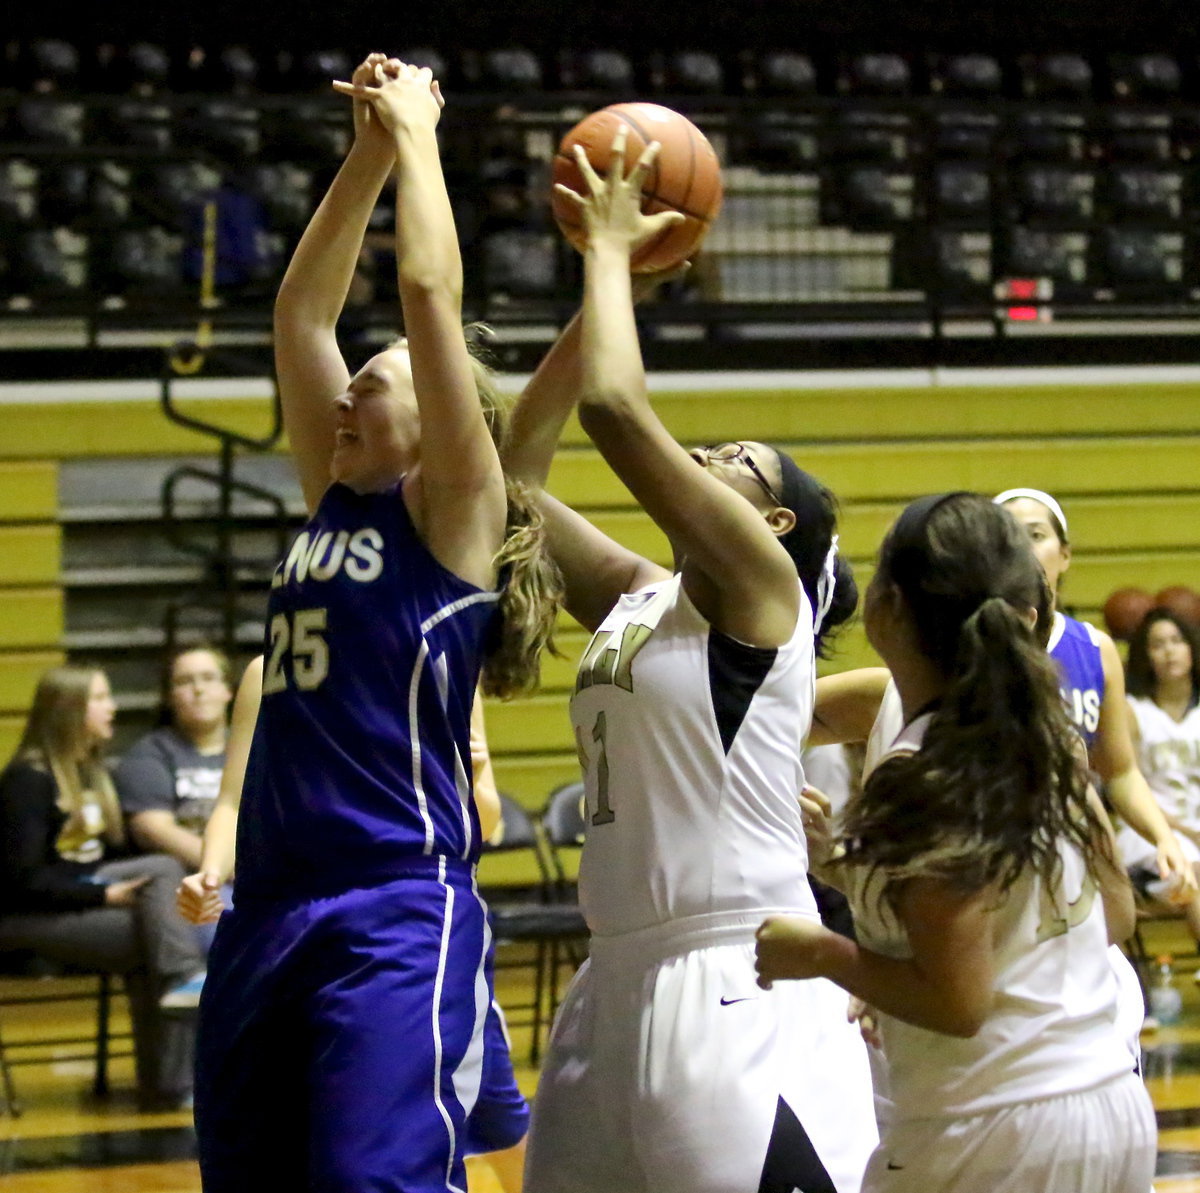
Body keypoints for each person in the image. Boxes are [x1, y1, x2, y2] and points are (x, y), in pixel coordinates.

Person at [191, 55, 560, 1193]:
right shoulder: (334, 499)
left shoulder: (452, 514)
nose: (347, 391)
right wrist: (361, 158)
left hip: (391, 900)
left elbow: (428, 299)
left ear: (441, 421)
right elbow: (301, 311)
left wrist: (419, 140)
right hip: (270, 905)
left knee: (374, 1181)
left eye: (376, 382)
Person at [507, 128, 876, 1193]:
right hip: (611, 973)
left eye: (739, 461)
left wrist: (611, 256)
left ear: (767, 518)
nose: (712, 452)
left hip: (735, 971)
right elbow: (507, 484)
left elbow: (618, 411)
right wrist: (594, 310)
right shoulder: (638, 596)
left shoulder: (763, 590)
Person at [756, 492, 1158, 1193]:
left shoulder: (922, 772)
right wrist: (840, 871)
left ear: (889, 609)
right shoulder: (1048, 736)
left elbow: (957, 1002)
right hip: (1110, 1100)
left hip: (993, 1124)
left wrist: (822, 953)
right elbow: (1113, 916)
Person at [180, 664, 530, 1193]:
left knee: (493, 1116)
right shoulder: (269, 668)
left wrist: (475, 777)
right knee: (287, 1135)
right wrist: (211, 869)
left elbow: (489, 822)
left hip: (408, 924)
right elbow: (232, 802)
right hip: (284, 919)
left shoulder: (438, 656)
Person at [0, 666, 204, 1111]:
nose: (112, 707)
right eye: (101, 698)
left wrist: (108, 887)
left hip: (72, 899)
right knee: (157, 932)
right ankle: (173, 1073)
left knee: (160, 898)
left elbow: (100, 858)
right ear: (70, 711)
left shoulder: (90, 773)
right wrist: (103, 896)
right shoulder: (28, 781)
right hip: (24, 920)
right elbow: (20, 882)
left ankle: (170, 1067)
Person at [994, 487, 1191, 892]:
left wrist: (1163, 836)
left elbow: (1119, 770)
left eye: (1035, 535)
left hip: (1071, 845)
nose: (1022, 549)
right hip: (990, 845)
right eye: (1008, 536)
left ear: (1065, 554)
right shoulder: (962, 646)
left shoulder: (1095, 649)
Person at [114, 644, 234, 976]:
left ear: (228, 690)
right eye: (185, 681)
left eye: (208, 678)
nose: (198, 689)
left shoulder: (254, 746)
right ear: (170, 696)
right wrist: (223, 864)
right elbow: (153, 828)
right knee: (228, 927)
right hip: (194, 882)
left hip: (259, 874)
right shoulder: (149, 754)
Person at [1120, 607, 1200, 942]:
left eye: (1176, 641)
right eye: (1157, 644)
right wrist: (1187, 831)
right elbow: (1127, 784)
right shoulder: (1132, 710)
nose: (1169, 651)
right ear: (1145, 656)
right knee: (1195, 877)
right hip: (1153, 834)